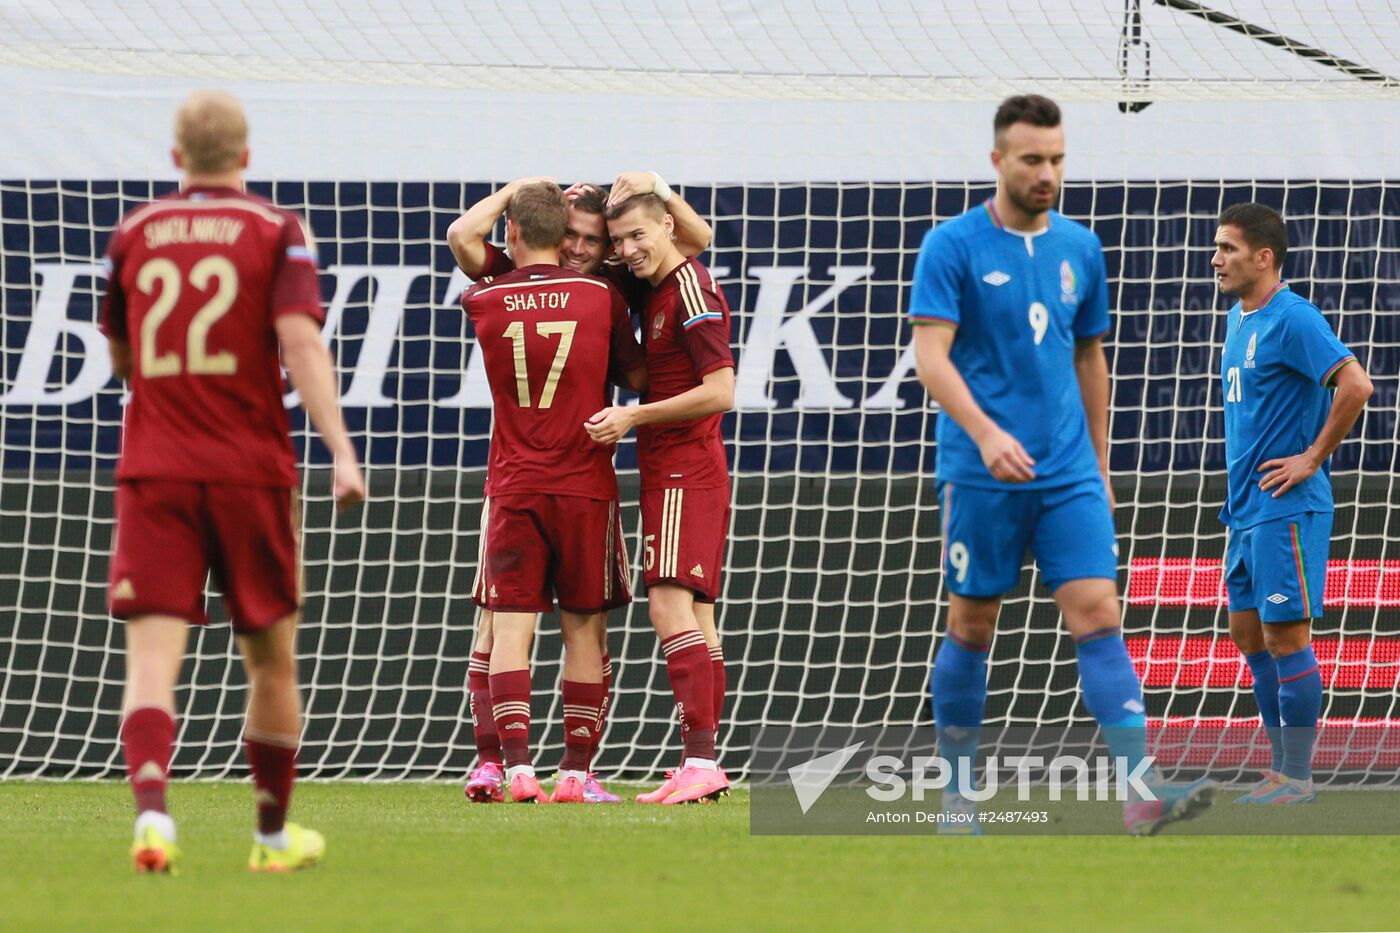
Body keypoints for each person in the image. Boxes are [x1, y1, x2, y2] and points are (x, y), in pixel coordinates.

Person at [909, 94, 1216, 835]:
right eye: (1032, 160)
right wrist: (984, 434)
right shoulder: (951, 246)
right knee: (973, 626)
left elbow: (1089, 356)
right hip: (984, 472)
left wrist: (1101, 464)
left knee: (1100, 615)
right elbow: (930, 358)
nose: (1047, 173)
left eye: (1057, 160)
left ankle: (1141, 794)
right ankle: (957, 799)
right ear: (997, 162)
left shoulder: (1082, 246)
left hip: (1069, 472)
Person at [101, 89, 365, 872]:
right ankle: (273, 839)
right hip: (249, 469)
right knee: (271, 660)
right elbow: (299, 342)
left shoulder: (133, 233)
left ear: (176, 157)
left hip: (155, 467)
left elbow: (120, 358)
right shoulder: (276, 230)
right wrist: (341, 452)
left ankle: (154, 818)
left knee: (151, 660)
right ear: (246, 157)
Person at [448, 173, 711, 803]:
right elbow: (639, 369)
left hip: (516, 479)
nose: (578, 247)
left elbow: (462, 234)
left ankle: (512, 767)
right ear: (551, 232)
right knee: (574, 629)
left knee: (506, 625)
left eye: (593, 240)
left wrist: (515, 193)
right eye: (569, 235)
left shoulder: (488, 294)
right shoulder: (604, 299)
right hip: (581, 482)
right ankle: (567, 770)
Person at [1213, 203, 1372, 804]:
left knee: (1286, 636)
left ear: (1264, 257)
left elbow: (1356, 384)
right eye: (1216, 246)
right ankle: (1280, 772)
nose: (1216, 259)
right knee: (1249, 634)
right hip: (1246, 509)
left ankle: (1297, 777)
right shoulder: (1238, 318)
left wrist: (1311, 457)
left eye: (1228, 248)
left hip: (1288, 504)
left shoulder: (1293, 318)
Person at [586, 191, 735, 805]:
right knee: (697, 618)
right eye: (617, 241)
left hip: (686, 467)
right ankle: (700, 761)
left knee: (668, 608)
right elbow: (692, 237)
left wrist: (633, 414)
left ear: (666, 225)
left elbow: (721, 390)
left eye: (638, 236)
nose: (626, 251)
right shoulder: (658, 282)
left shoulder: (692, 288)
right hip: (673, 466)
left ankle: (700, 760)